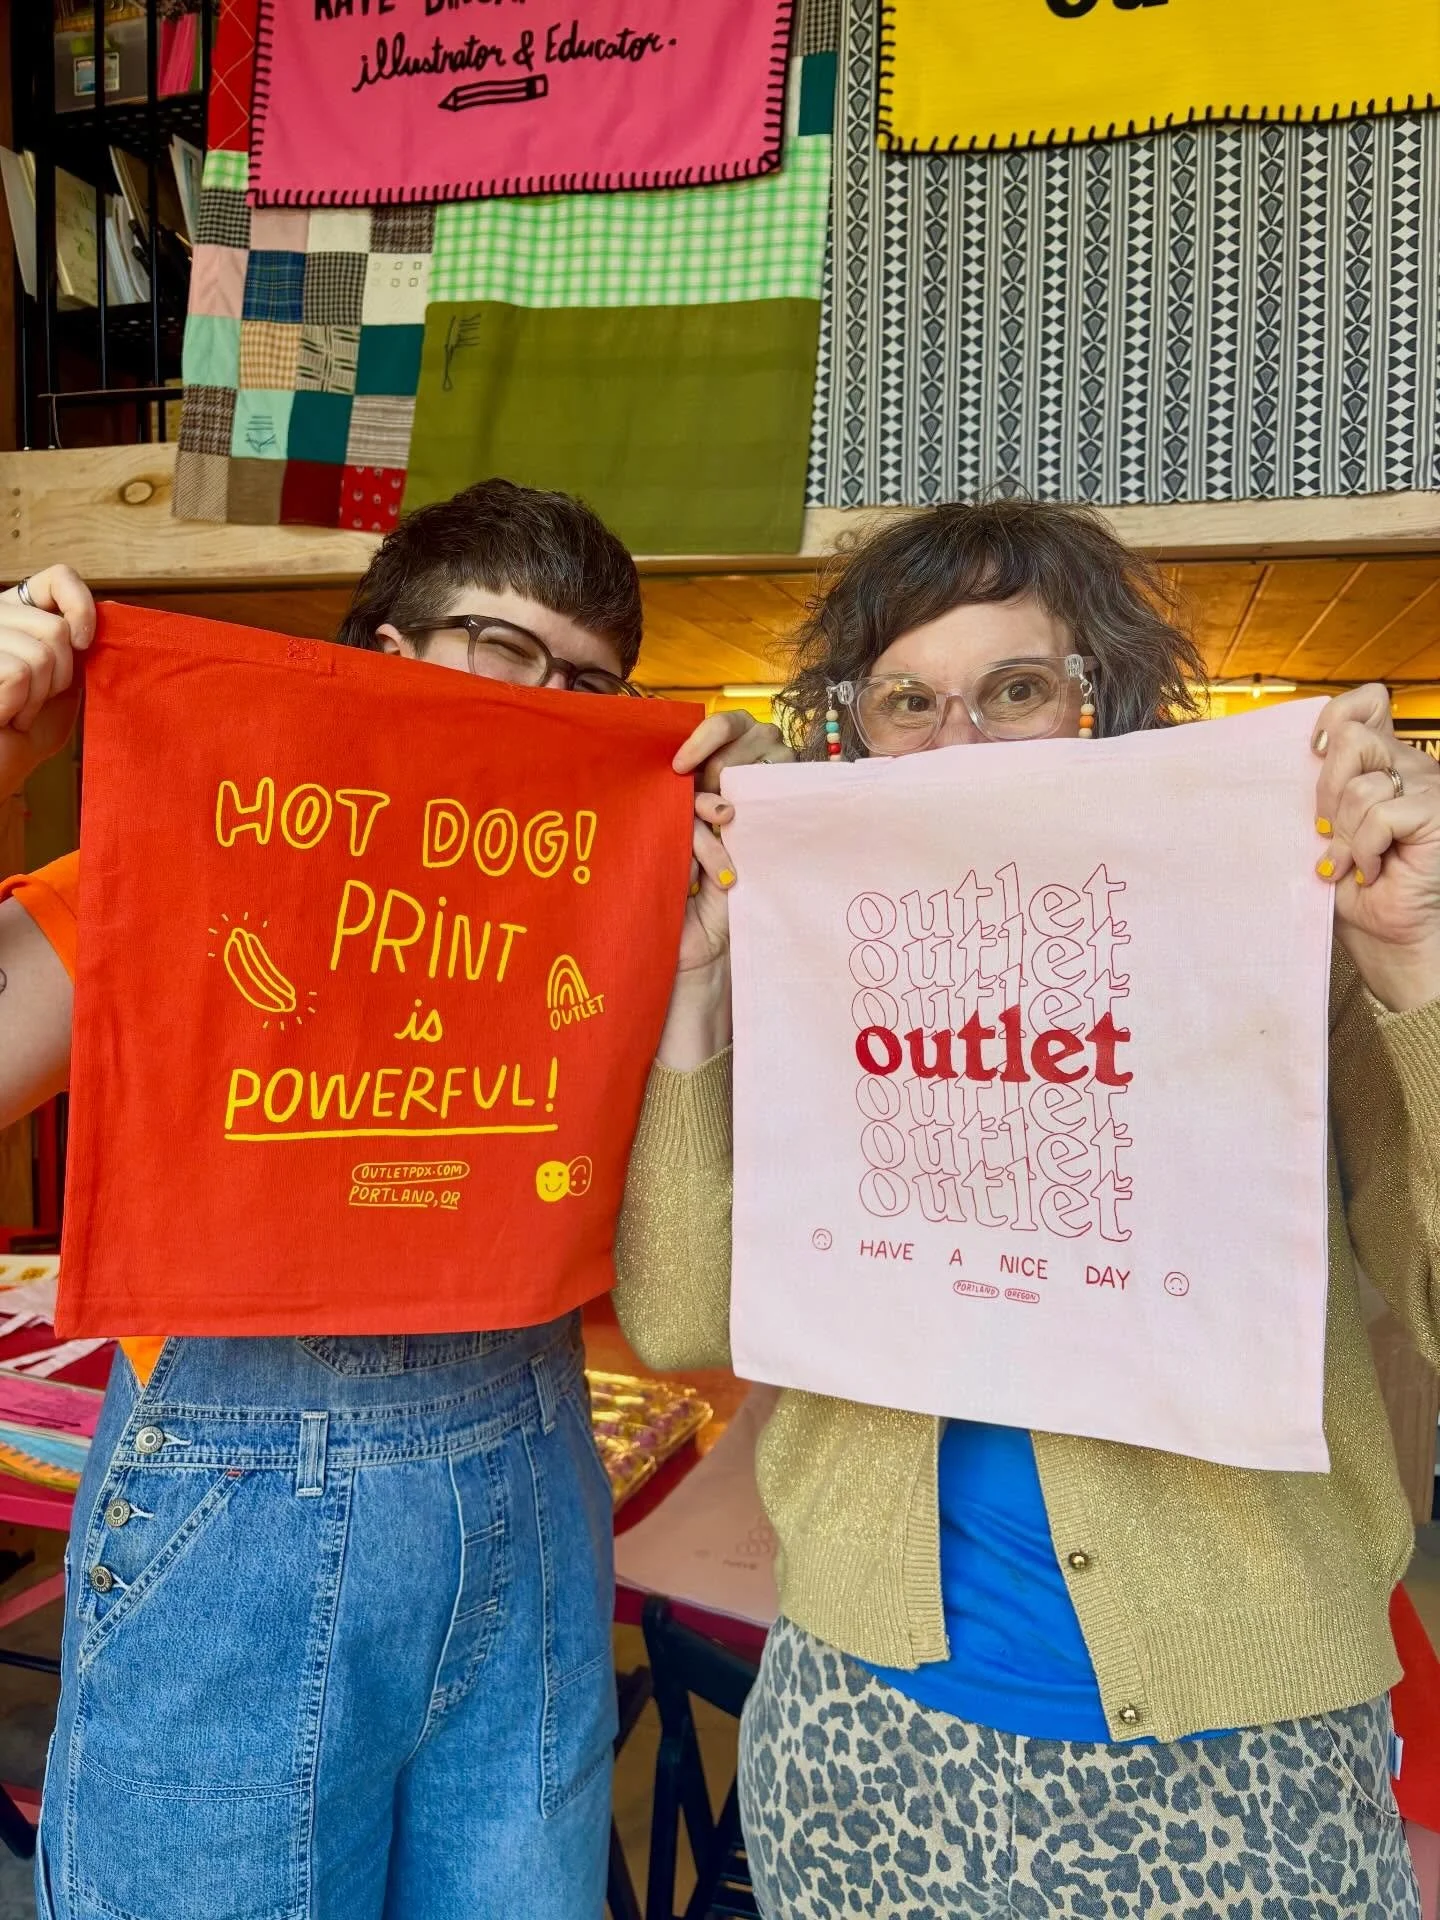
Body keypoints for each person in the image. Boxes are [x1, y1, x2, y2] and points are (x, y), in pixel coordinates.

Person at [615, 498, 1438, 1919]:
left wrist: (1415, 967)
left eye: (1013, 690)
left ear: (1103, 705)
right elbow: (683, 1316)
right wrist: (697, 990)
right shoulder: (812, 958)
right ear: (852, 732)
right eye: (907, 702)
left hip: (1236, 1748)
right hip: (864, 1728)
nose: (957, 745)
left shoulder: (1286, 932)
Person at [0, 477, 781, 1920]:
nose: (546, 704)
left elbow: (695, 1283)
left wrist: (750, 906)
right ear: (385, 652)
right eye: (505, 649)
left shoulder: (619, 910)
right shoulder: (187, 859)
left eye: (591, 686)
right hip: (236, 1517)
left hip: (535, 1479)